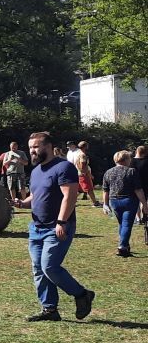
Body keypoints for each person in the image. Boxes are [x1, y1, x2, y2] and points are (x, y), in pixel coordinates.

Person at [13, 132, 93, 322]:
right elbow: (37, 195)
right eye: (30, 147)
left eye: (36, 147)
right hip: (37, 227)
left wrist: (61, 221)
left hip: (57, 226)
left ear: (48, 146)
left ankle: (82, 294)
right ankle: (50, 310)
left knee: (49, 266)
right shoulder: (36, 171)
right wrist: (24, 203)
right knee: (38, 269)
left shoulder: (64, 167)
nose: (32, 150)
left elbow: (70, 196)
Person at [101, 150, 146, 258]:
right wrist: (144, 203)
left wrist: (105, 204)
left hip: (114, 201)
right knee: (127, 224)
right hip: (129, 200)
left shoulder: (108, 172)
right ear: (126, 159)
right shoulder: (131, 171)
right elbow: (138, 189)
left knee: (122, 223)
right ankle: (122, 246)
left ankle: (125, 245)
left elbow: (105, 190)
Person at [65, 141, 100, 208]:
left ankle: (71, 202)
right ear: (85, 146)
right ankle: (95, 203)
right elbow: (82, 165)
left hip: (78, 173)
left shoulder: (78, 153)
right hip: (83, 174)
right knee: (89, 189)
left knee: (79, 190)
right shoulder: (82, 154)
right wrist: (87, 173)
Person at [134, 146, 148, 248]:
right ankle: (144, 216)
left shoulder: (131, 162)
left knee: (136, 202)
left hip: (134, 185)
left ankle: (138, 218)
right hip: (145, 184)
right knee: (144, 201)